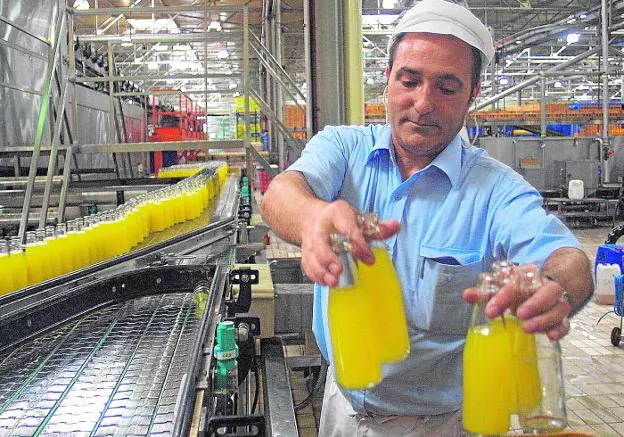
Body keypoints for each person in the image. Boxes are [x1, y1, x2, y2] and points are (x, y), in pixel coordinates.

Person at [260, 0, 594, 435]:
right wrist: (313, 219)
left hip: (444, 424)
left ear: (473, 95)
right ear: (388, 80)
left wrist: (557, 288)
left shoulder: (496, 191)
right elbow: (282, 194)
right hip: (343, 407)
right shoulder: (343, 149)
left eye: (447, 87)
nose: (422, 103)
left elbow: (569, 260)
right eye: (410, 80)